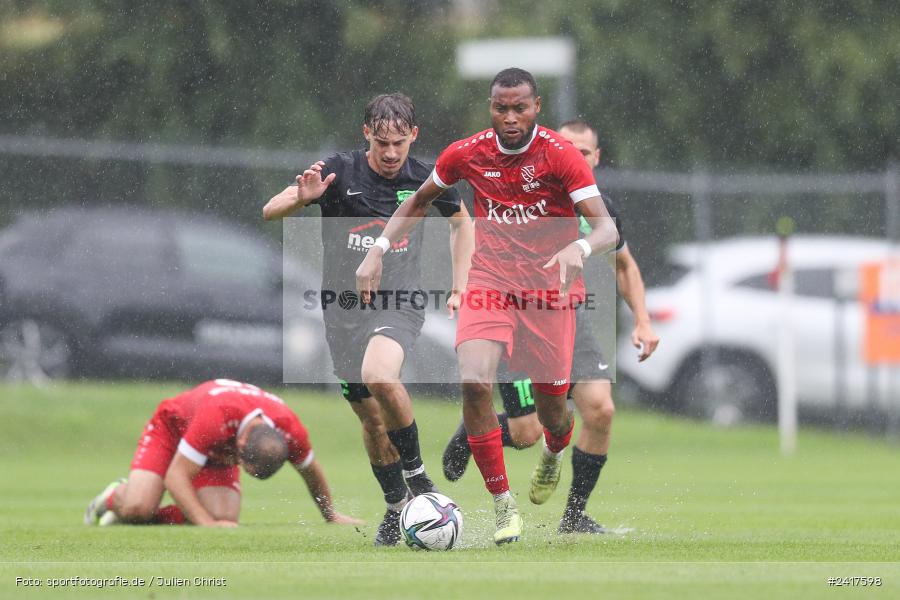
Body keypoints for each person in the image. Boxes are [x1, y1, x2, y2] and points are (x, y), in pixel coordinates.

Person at [355, 69, 619, 545]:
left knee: (552, 416)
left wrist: (577, 250)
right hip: (490, 283)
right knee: (475, 381)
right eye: (502, 108)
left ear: (537, 107)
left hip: (547, 297)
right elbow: (418, 202)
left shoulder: (560, 157)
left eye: (520, 108)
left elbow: (607, 231)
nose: (511, 117)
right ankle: (503, 505)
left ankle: (555, 453)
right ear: (490, 107)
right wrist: (376, 250)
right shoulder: (468, 152)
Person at [263, 93, 473, 546]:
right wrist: (301, 199)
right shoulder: (339, 171)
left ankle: (418, 479)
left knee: (379, 374)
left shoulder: (425, 177)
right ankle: (397, 505)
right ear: (367, 136)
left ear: (413, 136)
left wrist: (459, 284)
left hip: (399, 300)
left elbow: (462, 221)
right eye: (382, 144)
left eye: (400, 142)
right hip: (342, 311)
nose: (392, 152)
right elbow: (270, 208)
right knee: (372, 420)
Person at [441, 119, 661, 534]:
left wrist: (644, 321)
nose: (575, 157)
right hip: (514, 311)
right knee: (526, 433)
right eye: (568, 148)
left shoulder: (601, 210)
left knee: (601, 409)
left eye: (585, 153)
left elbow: (624, 265)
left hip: (567, 315)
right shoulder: (529, 191)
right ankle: (483, 429)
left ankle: (573, 518)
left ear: (597, 159)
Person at [84, 379, 361, 527]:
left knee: (224, 520)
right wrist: (204, 523)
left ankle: (140, 519)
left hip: (212, 447)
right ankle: (116, 497)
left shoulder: (290, 429)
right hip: (173, 430)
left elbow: (310, 471)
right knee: (138, 507)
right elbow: (176, 476)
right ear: (238, 450)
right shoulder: (216, 417)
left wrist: (331, 515)